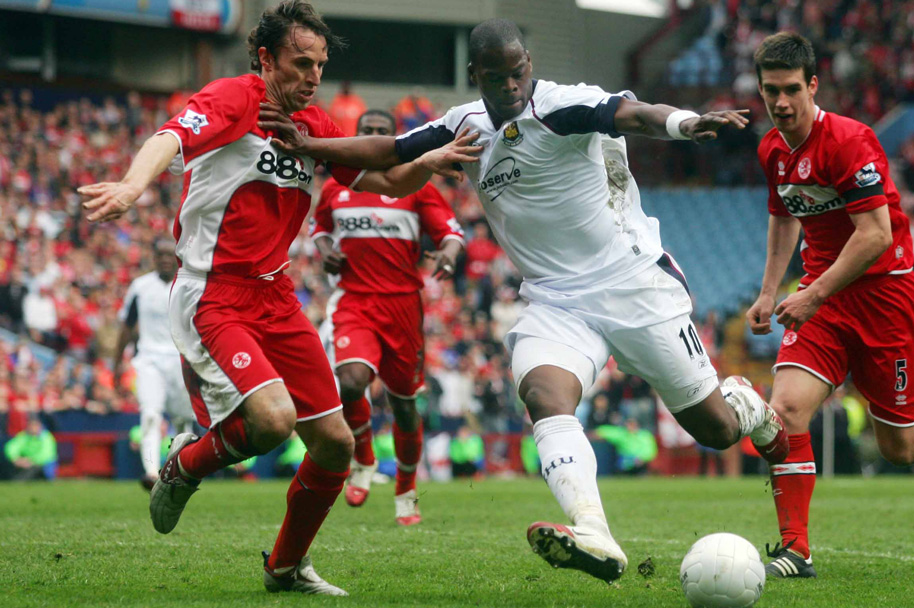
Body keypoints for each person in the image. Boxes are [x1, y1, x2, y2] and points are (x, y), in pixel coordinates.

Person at [257, 17, 789, 583]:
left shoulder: (562, 106)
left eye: (517, 73)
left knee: (715, 431)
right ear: (475, 75)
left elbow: (632, 115)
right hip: (556, 300)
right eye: (495, 78)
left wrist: (686, 122)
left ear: (528, 66)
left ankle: (746, 405)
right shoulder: (465, 123)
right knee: (543, 393)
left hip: (635, 284)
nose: (510, 87)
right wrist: (310, 143)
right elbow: (391, 150)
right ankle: (594, 532)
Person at [78, 0, 477, 596]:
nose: (312, 77)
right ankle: (184, 464)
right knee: (271, 422)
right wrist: (135, 184)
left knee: (336, 445)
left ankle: (285, 568)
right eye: (300, 63)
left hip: (277, 296)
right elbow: (168, 136)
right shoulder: (237, 98)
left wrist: (429, 161)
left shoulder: (315, 126)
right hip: (214, 295)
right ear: (266, 59)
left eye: (319, 65)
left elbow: (388, 181)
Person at [746, 32, 914, 579]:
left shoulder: (849, 140)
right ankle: (796, 550)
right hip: (822, 299)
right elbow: (783, 215)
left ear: (814, 85)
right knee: (788, 410)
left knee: (901, 446)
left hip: (885, 300)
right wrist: (771, 290)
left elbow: (875, 235)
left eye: (792, 89)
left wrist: (811, 292)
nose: (782, 103)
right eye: (771, 91)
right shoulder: (772, 148)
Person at [312, 108, 465, 525]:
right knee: (350, 382)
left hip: (402, 307)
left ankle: (406, 487)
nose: (375, 137)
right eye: (368, 132)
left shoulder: (415, 184)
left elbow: (450, 233)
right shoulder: (335, 187)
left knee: (403, 407)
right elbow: (320, 230)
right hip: (354, 301)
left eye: (382, 133)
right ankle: (363, 457)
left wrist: (449, 257)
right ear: (357, 138)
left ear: (392, 138)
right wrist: (326, 251)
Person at [114, 238, 195, 491]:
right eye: (159, 254)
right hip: (148, 360)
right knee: (150, 415)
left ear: (177, 256)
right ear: (152, 257)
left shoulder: (189, 286)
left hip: (181, 359)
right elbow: (127, 327)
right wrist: (117, 363)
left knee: (183, 420)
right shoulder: (140, 287)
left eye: (168, 254)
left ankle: (175, 469)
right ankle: (150, 472)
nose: (164, 259)